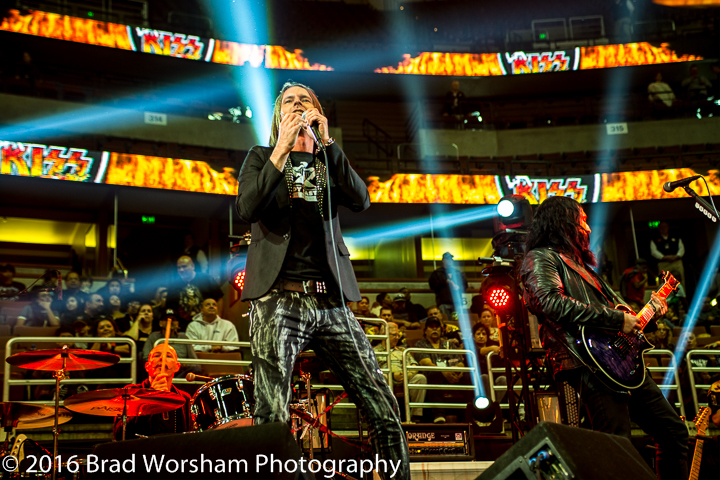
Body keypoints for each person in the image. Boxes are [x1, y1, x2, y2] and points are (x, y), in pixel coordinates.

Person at [235, 80, 409, 479]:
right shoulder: (261, 156)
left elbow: (361, 199)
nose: (298, 105)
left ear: (318, 112)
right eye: (290, 102)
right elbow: (247, 207)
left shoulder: (328, 160)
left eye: (306, 100)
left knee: (383, 406)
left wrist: (328, 144)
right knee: (271, 412)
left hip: (331, 301)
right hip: (280, 299)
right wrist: (281, 149)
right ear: (279, 115)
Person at [519, 196, 688, 480]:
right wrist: (617, 320)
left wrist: (648, 314)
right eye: (582, 219)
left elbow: (623, 318)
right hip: (589, 362)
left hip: (621, 361)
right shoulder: (541, 257)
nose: (587, 227)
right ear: (563, 222)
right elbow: (548, 302)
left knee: (673, 431)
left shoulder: (585, 268)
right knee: (616, 444)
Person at [112, 344, 192, 440]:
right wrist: (150, 398)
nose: (162, 358)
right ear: (147, 366)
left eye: (168, 356)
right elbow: (119, 434)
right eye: (157, 355)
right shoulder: (130, 392)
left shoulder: (184, 398)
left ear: (177, 367)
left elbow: (188, 438)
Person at [413, 316, 470, 423]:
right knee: (435, 374)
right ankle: (438, 415)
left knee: (468, 377)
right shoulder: (420, 344)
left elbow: (460, 363)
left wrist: (460, 372)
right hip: (433, 376)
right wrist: (444, 371)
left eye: (437, 327)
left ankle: (469, 414)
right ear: (425, 331)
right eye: (431, 327)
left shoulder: (449, 345)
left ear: (441, 330)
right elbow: (426, 363)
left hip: (452, 375)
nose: (434, 329)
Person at [374, 322, 427, 423]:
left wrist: (408, 374)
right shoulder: (375, 351)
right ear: (384, 334)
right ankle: (386, 415)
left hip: (405, 377)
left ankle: (415, 416)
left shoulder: (402, 350)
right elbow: (373, 369)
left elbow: (414, 365)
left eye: (398, 335)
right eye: (394, 335)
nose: (397, 338)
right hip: (386, 377)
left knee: (420, 378)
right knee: (381, 377)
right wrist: (393, 376)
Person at [142, 309, 200, 379]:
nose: (170, 321)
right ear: (160, 323)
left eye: (173, 319)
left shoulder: (184, 338)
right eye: (166, 319)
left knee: (196, 370)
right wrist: (161, 362)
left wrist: (183, 364)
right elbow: (146, 357)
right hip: (159, 369)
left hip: (179, 371)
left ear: (177, 323)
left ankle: (173, 383)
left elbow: (194, 362)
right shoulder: (153, 337)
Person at [168, 256, 223, 329]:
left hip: (207, 324)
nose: (181, 270)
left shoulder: (206, 279)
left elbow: (219, 298)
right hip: (183, 327)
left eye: (184, 266)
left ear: (192, 266)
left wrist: (218, 319)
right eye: (179, 268)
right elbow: (170, 308)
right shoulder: (173, 285)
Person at [428, 252, 468, 317]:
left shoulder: (457, 272)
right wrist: (444, 282)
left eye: (451, 259)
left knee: (457, 320)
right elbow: (432, 286)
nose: (450, 261)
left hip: (456, 302)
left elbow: (465, 285)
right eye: (448, 259)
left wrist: (459, 287)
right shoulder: (437, 273)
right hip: (443, 302)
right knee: (445, 319)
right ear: (443, 260)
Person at [650, 221, 685, 288]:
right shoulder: (655, 239)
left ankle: (681, 294)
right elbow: (654, 251)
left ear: (668, 228)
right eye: (661, 227)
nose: (663, 228)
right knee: (664, 281)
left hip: (676, 262)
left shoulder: (676, 237)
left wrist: (677, 256)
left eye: (665, 227)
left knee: (680, 279)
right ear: (659, 229)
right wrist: (663, 257)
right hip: (663, 263)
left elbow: (681, 248)